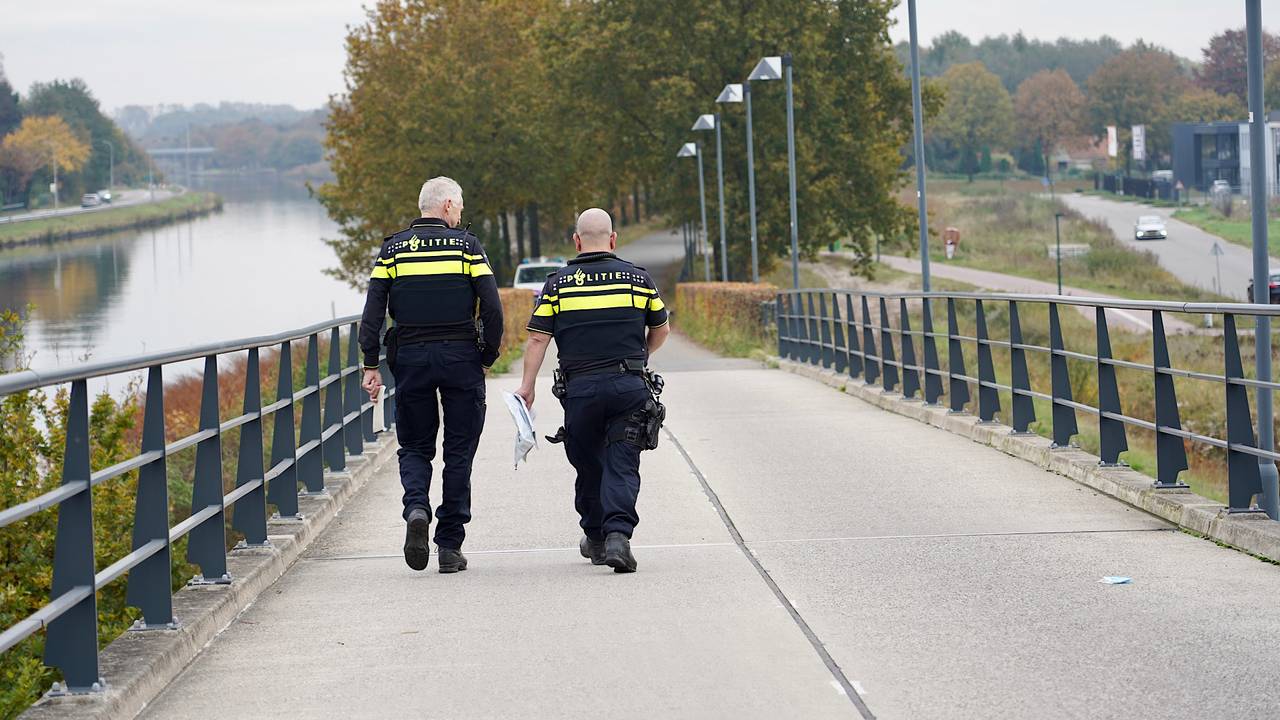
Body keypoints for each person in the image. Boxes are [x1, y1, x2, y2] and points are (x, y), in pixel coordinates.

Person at [359, 176, 503, 574]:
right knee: (459, 452)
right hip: (461, 358)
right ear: (446, 206)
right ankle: (450, 547)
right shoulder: (468, 248)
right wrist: (487, 356)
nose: (459, 214)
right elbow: (491, 308)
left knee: (415, 445)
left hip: (410, 359)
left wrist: (371, 364)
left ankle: (417, 508)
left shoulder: (392, 250)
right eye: (458, 207)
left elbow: (372, 313)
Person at [515, 208, 670, 573]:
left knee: (588, 466)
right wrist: (637, 358)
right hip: (628, 388)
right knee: (622, 463)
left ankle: (597, 539)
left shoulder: (557, 284)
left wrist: (527, 387)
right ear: (613, 240)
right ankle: (618, 537)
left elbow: (538, 338)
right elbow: (661, 329)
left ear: (577, 241)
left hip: (580, 391)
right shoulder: (637, 279)